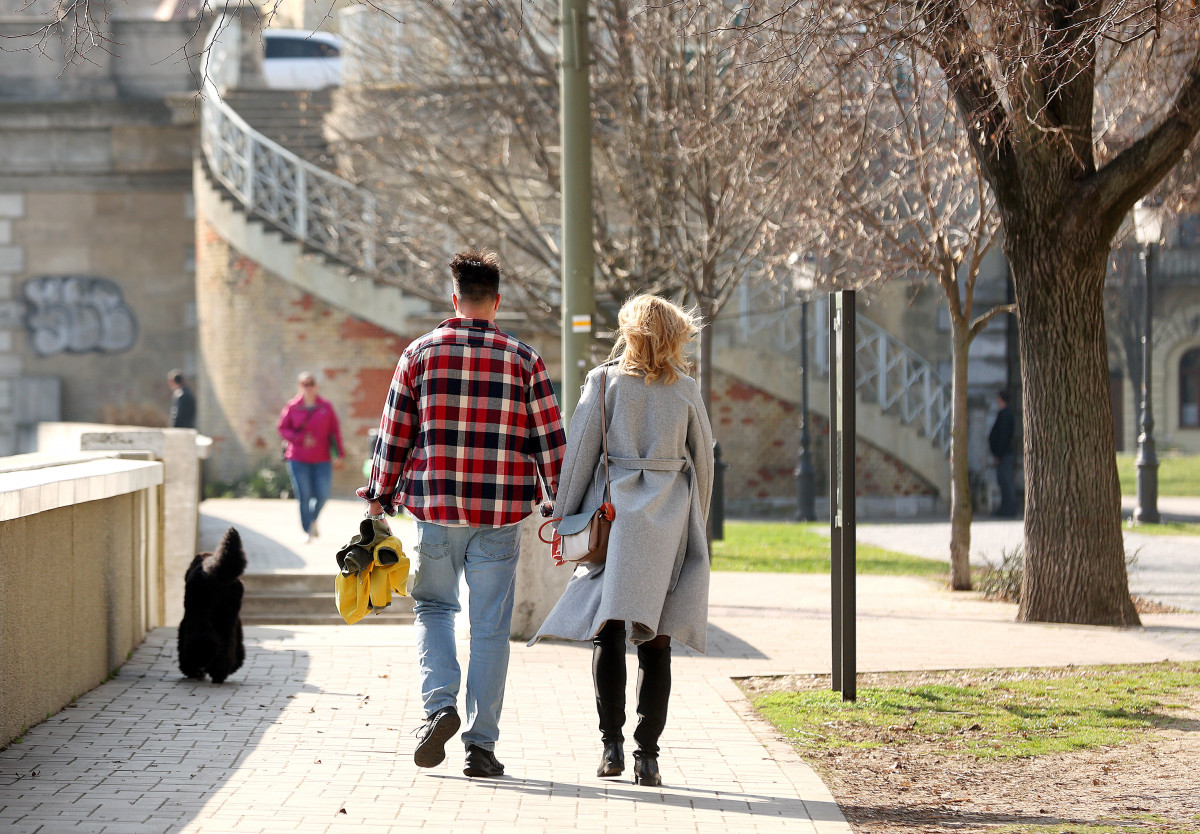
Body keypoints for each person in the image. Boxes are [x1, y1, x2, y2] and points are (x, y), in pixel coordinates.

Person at [358, 248, 566, 778]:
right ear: (496, 302)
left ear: (454, 300)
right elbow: (551, 442)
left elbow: (394, 434)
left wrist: (380, 493)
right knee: (491, 628)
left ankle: (439, 707)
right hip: (500, 513)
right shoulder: (525, 360)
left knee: (433, 609)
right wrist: (561, 500)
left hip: (436, 508)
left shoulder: (419, 354)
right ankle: (482, 746)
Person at [530, 294, 715, 788]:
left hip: (612, 521)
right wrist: (695, 518)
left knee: (606, 629)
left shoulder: (604, 381)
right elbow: (706, 460)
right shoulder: (687, 389)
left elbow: (581, 454)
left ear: (628, 332)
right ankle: (648, 756)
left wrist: (566, 515)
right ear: (676, 335)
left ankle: (611, 747)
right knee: (657, 640)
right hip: (669, 521)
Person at [278, 372, 345, 543]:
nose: (308, 387)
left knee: (323, 495)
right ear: (300, 386)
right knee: (304, 496)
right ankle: (307, 530)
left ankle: (313, 520)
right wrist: (300, 439)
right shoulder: (293, 406)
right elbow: (282, 428)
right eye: (304, 384)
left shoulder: (325, 406)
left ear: (316, 386)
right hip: (298, 458)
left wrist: (339, 454)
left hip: (322, 458)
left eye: (311, 383)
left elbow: (335, 431)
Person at [988, 389, 1018, 518]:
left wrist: (998, 455)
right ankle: (1005, 507)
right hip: (1003, 453)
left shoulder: (1006, 414)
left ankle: (1009, 508)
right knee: (1003, 481)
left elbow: (1003, 436)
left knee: (1005, 481)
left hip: (1004, 454)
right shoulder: (1004, 413)